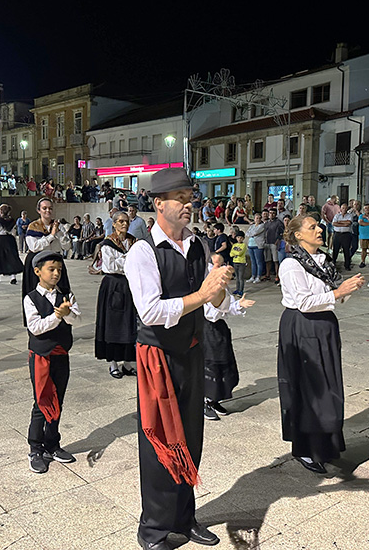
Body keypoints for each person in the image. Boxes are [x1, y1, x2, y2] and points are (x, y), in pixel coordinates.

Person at [125, 167, 233, 550]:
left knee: (190, 439)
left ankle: (185, 518)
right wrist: (204, 295)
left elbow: (214, 307)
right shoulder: (142, 251)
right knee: (159, 444)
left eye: (191, 197)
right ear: (158, 204)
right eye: (181, 199)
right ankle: (153, 529)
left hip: (191, 352)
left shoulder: (200, 246)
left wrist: (219, 289)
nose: (189, 205)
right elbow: (151, 311)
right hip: (158, 358)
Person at [278, 213, 364, 474]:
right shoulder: (291, 265)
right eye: (312, 227)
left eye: (319, 226)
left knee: (328, 385)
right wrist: (338, 292)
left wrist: (348, 290)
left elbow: (333, 297)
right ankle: (306, 448)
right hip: (302, 325)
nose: (319, 230)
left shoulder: (324, 260)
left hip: (324, 325)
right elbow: (304, 302)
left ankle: (326, 443)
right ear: (297, 235)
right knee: (308, 386)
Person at [24, 251, 81, 473]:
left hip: (60, 356)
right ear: (38, 271)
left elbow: (77, 319)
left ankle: (52, 443)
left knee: (59, 399)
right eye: (51, 269)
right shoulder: (31, 298)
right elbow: (35, 327)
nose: (56, 273)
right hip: (40, 358)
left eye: (59, 269)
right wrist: (57, 316)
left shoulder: (66, 295)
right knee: (42, 402)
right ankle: (35, 449)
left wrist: (66, 314)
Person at [203, 252, 255, 421]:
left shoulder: (222, 283)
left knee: (223, 364)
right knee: (209, 364)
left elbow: (228, 305)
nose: (220, 264)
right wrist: (223, 307)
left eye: (222, 262)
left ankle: (214, 399)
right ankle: (204, 400)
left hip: (220, 328)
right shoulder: (206, 281)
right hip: (206, 328)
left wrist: (238, 305)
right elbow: (209, 311)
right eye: (216, 262)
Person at [95, 211, 138, 379]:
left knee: (129, 324)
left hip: (130, 286)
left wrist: (125, 261)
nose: (124, 224)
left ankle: (128, 363)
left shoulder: (133, 241)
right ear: (113, 223)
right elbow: (110, 266)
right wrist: (128, 259)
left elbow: (138, 263)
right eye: (120, 221)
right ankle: (113, 363)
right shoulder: (108, 243)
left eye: (126, 221)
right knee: (113, 325)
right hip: (113, 285)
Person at [22, 198, 72, 322]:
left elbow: (67, 246)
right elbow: (34, 247)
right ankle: (37, 320)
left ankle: (61, 316)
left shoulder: (58, 225)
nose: (47, 211)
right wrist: (51, 235)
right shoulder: (33, 226)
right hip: (38, 262)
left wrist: (59, 234)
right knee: (37, 292)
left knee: (61, 289)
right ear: (39, 210)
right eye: (44, 208)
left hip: (55, 260)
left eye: (50, 208)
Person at [0, 204, 23, 283]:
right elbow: (13, 231)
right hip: (9, 239)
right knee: (11, 258)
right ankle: (13, 277)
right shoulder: (12, 221)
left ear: (0, 211)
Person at [331, 202, 355, 271]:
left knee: (346, 250)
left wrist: (339, 222)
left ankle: (347, 265)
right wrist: (343, 222)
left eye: (345, 208)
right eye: (343, 208)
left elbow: (348, 223)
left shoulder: (349, 215)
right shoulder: (337, 216)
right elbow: (334, 223)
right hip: (337, 234)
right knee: (335, 250)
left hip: (346, 235)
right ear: (340, 209)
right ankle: (333, 263)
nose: (344, 209)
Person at [263, 207, 285, 283]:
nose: (271, 215)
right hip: (267, 242)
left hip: (274, 243)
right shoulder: (266, 223)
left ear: (275, 214)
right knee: (268, 260)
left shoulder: (279, 222)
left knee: (276, 260)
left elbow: (282, 233)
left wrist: (277, 240)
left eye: (273, 213)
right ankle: (267, 274)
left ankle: (277, 275)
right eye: (270, 213)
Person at [246, 212, 266, 284]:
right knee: (253, 262)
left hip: (258, 245)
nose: (258, 219)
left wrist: (252, 234)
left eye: (259, 218)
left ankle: (258, 276)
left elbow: (255, 233)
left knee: (259, 262)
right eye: (257, 218)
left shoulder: (262, 226)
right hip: (250, 245)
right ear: (254, 219)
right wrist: (251, 233)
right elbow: (247, 233)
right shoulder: (252, 226)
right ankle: (253, 276)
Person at [230, 231, 248, 296]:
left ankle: (241, 290)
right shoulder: (234, 245)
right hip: (235, 262)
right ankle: (237, 289)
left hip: (241, 262)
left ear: (243, 238)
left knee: (241, 277)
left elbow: (240, 253)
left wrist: (235, 253)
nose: (239, 239)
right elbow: (231, 253)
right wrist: (235, 253)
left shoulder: (244, 245)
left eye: (241, 238)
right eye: (238, 237)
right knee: (237, 277)